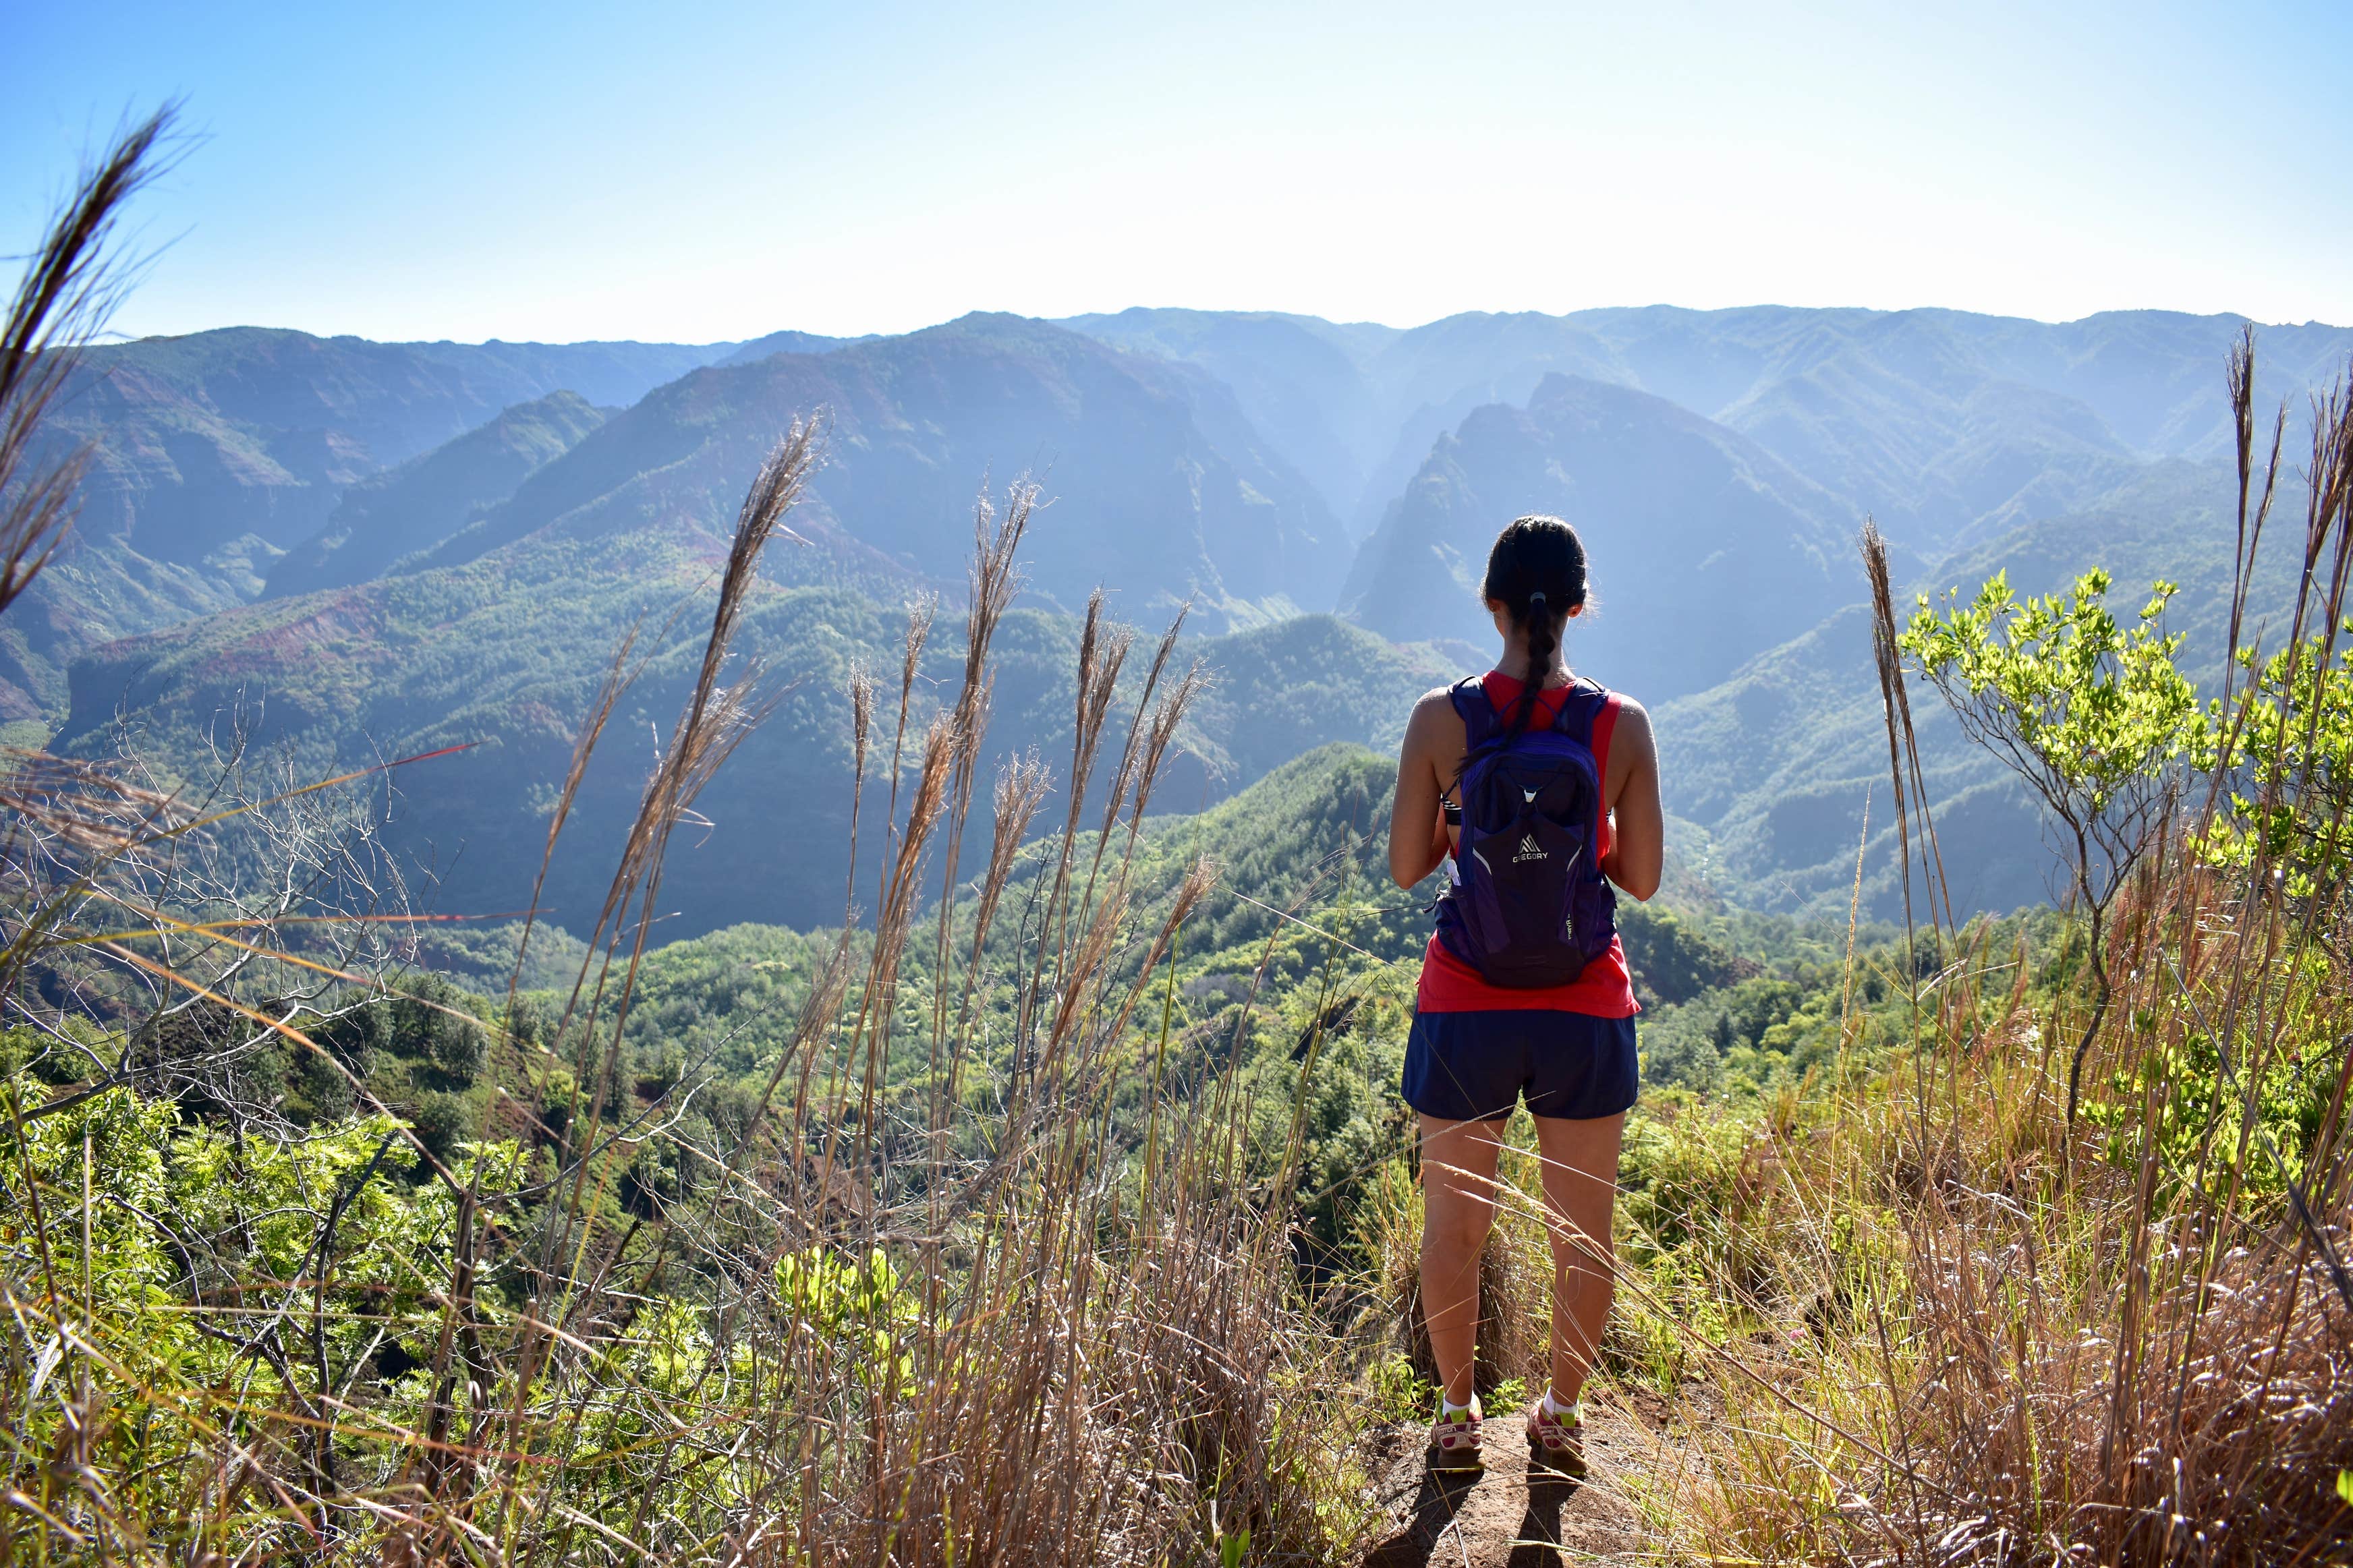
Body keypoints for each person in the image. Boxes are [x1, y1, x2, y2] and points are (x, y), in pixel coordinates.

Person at [1384, 515, 1662, 1473]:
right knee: (1583, 1235)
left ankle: (1458, 1418)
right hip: (1585, 1010)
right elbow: (1646, 878)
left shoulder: (1439, 718)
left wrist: (1487, 832)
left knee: (1454, 1229)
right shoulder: (1620, 724)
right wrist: (1573, 839)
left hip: (1466, 1002)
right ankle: (1559, 1417)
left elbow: (1405, 865)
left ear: (1492, 604)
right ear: (1579, 605)